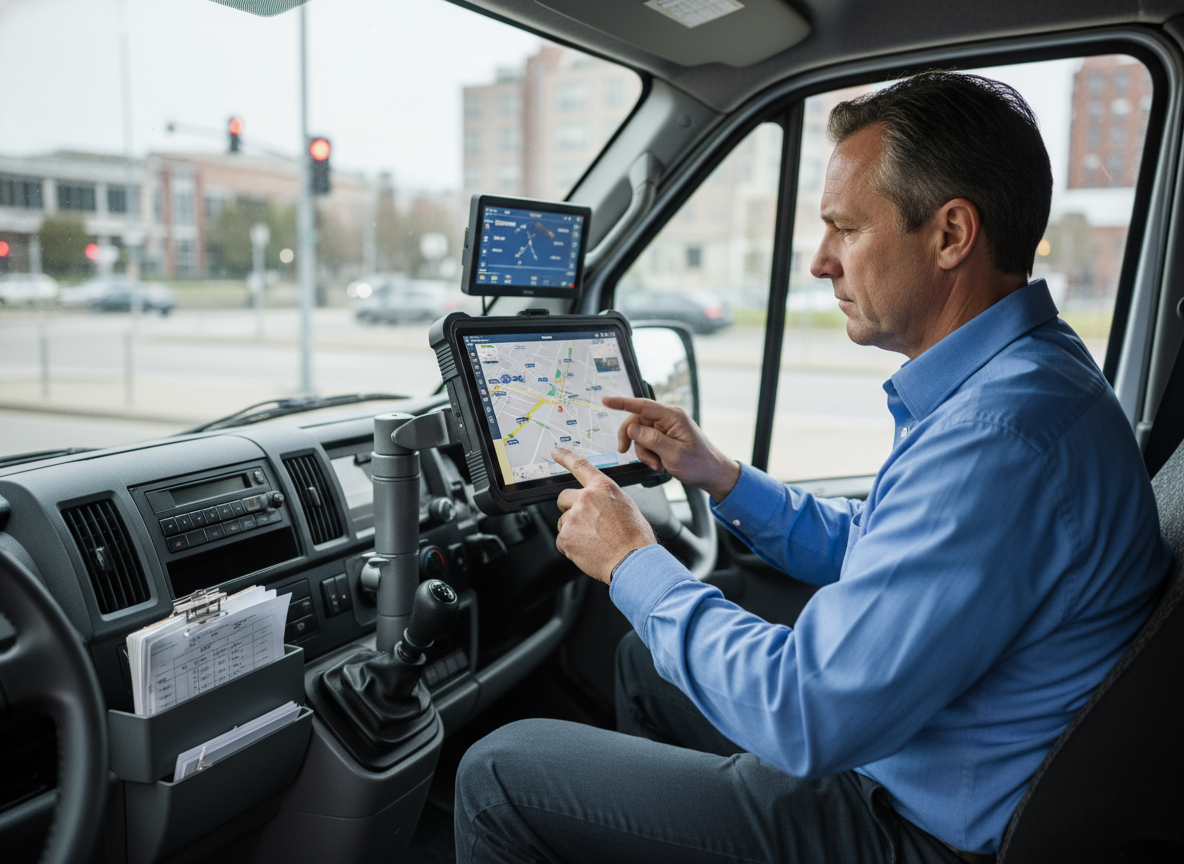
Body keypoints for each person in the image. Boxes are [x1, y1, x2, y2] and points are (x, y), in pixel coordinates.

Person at [453, 72, 1171, 863]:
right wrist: (719, 474)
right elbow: (881, 545)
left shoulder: (997, 437)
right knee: (641, 661)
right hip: (909, 759)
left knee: (498, 773)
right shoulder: (1034, 374)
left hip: (908, 827)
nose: (821, 261)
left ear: (951, 234)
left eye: (846, 228)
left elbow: (804, 714)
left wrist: (631, 561)